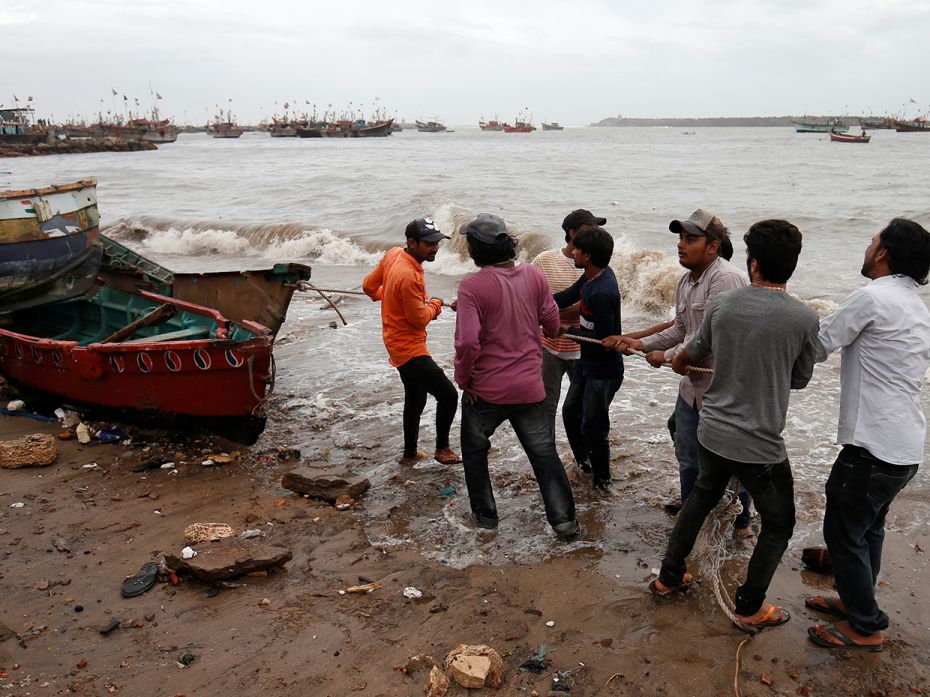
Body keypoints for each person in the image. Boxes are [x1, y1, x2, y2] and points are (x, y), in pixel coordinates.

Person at [651, 219, 820, 631]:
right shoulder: (804, 318)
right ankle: (749, 606)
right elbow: (799, 379)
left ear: (753, 262)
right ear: (793, 265)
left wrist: (673, 360)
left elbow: (685, 355)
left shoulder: (725, 305)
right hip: (759, 443)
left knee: (700, 498)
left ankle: (668, 578)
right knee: (779, 523)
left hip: (713, 430)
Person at [806, 218, 930, 651]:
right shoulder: (917, 305)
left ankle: (866, 626)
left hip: (873, 445)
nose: (868, 245)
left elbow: (818, 345)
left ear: (883, 253)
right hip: (905, 447)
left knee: (843, 530)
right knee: (868, 529)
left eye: (872, 239)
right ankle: (855, 600)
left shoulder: (871, 298)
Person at [604, 209, 754, 538]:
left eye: (690, 239)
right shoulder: (686, 281)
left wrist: (666, 356)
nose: (681, 245)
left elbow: (712, 338)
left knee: (729, 464)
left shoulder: (726, 279)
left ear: (713, 247)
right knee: (689, 460)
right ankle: (694, 518)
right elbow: (681, 330)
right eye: (680, 239)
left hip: (724, 395)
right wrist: (639, 343)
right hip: (692, 391)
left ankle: (741, 524)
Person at [454, 214, 582, 541]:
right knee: (544, 454)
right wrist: (548, 329)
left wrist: (464, 380)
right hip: (530, 387)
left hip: (486, 392)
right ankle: (564, 523)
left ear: (476, 251)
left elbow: (468, 342)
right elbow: (551, 323)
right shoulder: (534, 275)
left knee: (474, 449)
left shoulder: (471, 287)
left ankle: (486, 518)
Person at [362, 217, 461, 466]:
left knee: (415, 398)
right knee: (448, 395)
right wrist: (436, 304)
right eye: (428, 244)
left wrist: (388, 297)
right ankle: (442, 449)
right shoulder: (408, 275)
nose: (435, 248)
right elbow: (419, 320)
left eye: (437, 242)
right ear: (412, 243)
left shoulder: (394, 254)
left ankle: (410, 453)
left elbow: (368, 287)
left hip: (395, 342)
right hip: (409, 348)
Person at [553, 226, 623, 491]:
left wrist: (567, 330)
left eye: (577, 248)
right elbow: (567, 297)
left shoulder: (602, 291)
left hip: (604, 370)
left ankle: (602, 481)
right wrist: (535, 303)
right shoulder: (591, 277)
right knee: (571, 412)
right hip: (587, 363)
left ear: (589, 255)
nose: (572, 251)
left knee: (594, 427)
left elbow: (604, 339)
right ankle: (584, 464)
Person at [531, 209, 606, 438]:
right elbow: (530, 299)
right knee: (545, 408)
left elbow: (593, 305)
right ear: (572, 233)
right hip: (549, 347)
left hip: (583, 348)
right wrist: (566, 312)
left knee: (585, 410)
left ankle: (585, 458)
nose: (595, 232)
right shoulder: (544, 261)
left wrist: (553, 313)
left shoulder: (595, 264)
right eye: (589, 227)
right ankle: (547, 459)